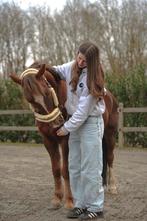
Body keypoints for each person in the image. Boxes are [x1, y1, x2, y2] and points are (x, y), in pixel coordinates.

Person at [53, 42, 105, 220]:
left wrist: (65, 128)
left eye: (85, 60)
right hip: (75, 125)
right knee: (75, 167)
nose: (80, 62)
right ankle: (80, 205)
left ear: (92, 62)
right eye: (79, 57)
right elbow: (53, 70)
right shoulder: (70, 66)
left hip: (90, 123)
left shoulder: (94, 77)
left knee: (91, 168)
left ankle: (96, 207)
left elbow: (83, 111)